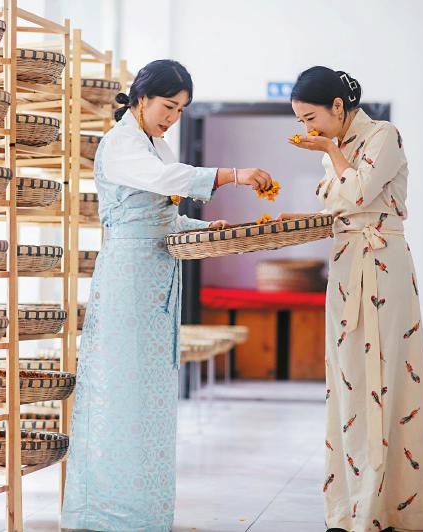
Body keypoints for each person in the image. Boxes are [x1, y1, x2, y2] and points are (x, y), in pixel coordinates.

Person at [60, 59, 273, 531]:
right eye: (167, 106)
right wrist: (233, 174)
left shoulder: (156, 144)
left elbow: (162, 215)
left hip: (157, 275)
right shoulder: (120, 144)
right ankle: (105, 511)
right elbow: (165, 182)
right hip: (127, 275)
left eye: (180, 110)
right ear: (141, 98)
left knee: (152, 395)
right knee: (121, 388)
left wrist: (203, 227)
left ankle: (145, 510)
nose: (172, 118)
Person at [281, 66, 423, 532]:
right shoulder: (334, 146)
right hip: (346, 263)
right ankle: (349, 507)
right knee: (347, 379)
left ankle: (390, 508)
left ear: (338, 106)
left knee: (388, 376)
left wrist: (332, 154)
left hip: (383, 262)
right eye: (300, 121)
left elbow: (354, 193)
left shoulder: (383, 135)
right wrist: (308, 210)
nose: (307, 129)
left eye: (311, 118)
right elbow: (334, 202)